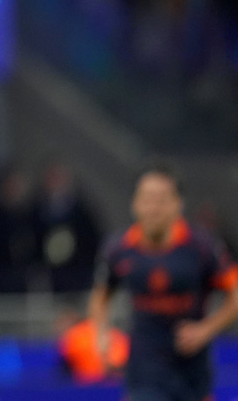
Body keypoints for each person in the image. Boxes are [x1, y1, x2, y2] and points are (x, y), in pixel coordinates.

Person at [88, 165, 238, 401]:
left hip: (192, 371)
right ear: (135, 204)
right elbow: (101, 294)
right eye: (147, 199)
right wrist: (101, 333)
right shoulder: (118, 249)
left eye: (161, 200)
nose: (153, 208)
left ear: (178, 204)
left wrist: (206, 330)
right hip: (144, 369)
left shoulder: (202, 247)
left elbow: (235, 294)